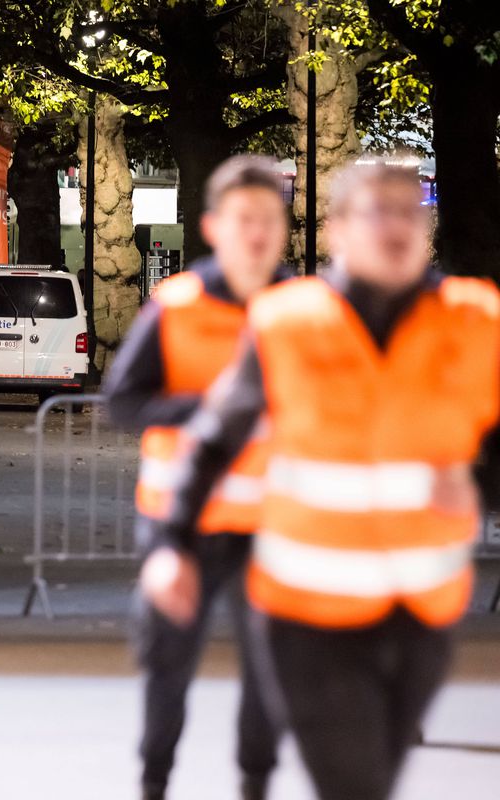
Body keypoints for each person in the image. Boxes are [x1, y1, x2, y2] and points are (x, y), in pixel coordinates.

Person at [150, 160, 499, 800]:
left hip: (424, 609)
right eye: (378, 211)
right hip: (308, 608)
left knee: (376, 776)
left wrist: (477, 484)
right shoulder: (288, 322)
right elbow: (214, 440)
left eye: (411, 211)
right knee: (354, 784)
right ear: (337, 230)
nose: (397, 224)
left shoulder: (475, 320)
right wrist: (173, 544)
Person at [103, 155, 290, 800]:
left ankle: (255, 783)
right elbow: (122, 402)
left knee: (271, 670)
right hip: (179, 523)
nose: (257, 234)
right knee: (167, 663)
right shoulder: (177, 306)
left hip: (273, 522)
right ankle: (155, 783)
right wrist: (210, 408)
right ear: (214, 227)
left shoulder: (305, 310)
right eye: (244, 220)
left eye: (269, 220)